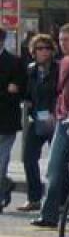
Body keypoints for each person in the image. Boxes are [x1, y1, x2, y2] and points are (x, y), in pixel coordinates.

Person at [32, 24, 69, 229]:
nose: (62, 43)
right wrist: (57, 112)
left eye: (66, 39)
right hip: (62, 121)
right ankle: (48, 215)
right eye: (60, 39)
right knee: (54, 168)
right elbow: (61, 92)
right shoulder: (63, 62)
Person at [18, 34, 57, 211]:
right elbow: (26, 93)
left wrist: (55, 112)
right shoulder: (31, 70)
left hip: (55, 119)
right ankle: (34, 198)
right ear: (33, 52)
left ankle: (61, 200)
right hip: (37, 119)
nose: (43, 52)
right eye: (39, 48)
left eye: (47, 48)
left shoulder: (58, 68)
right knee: (28, 158)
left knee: (57, 161)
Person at [0, 29, 24, 212]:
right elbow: (9, 91)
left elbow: (18, 92)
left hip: (6, 121)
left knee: (2, 161)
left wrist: (10, 92)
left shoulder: (14, 62)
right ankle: (5, 185)